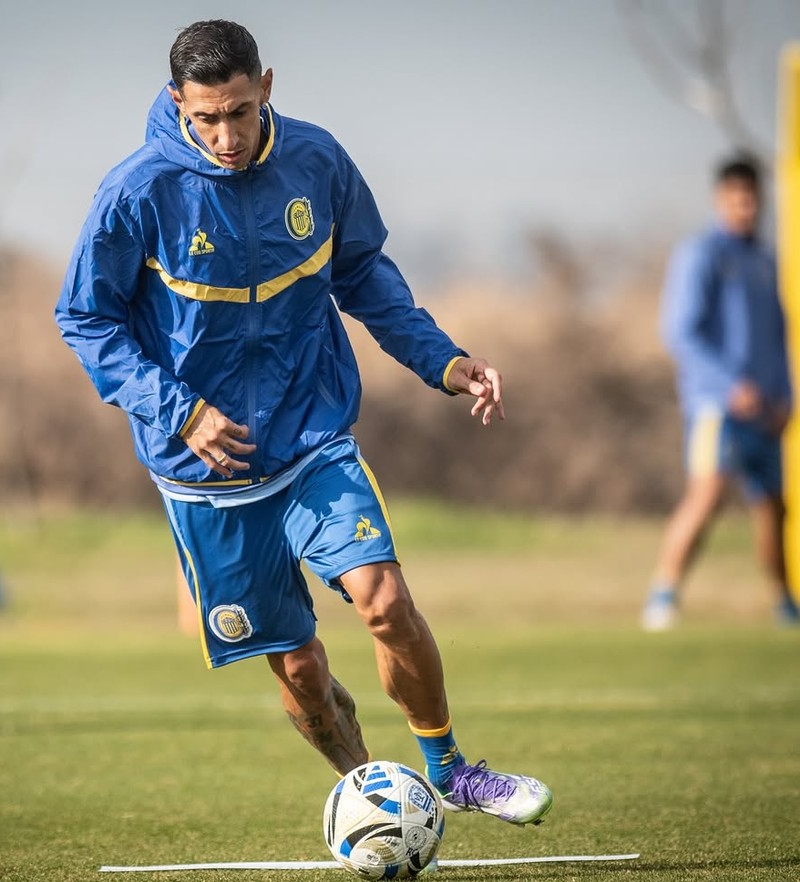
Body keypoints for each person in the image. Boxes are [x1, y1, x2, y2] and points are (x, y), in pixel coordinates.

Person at [55, 19, 552, 826]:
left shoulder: (317, 161)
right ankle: (378, 802)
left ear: (268, 87)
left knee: (384, 600)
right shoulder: (137, 192)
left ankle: (453, 769)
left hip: (312, 436)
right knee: (302, 669)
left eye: (241, 112)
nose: (226, 135)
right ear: (179, 102)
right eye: (207, 117)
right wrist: (180, 414)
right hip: (204, 476)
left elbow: (365, 279)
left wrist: (444, 361)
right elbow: (86, 319)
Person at [643, 154, 798, 631]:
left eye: (753, 200)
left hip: (765, 410)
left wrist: (785, 398)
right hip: (716, 406)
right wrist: (732, 386)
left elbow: (777, 336)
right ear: (721, 199)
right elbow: (680, 332)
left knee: (772, 504)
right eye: (737, 200)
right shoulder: (703, 254)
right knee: (708, 493)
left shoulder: (765, 260)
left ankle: (783, 604)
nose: (746, 209)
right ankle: (663, 594)